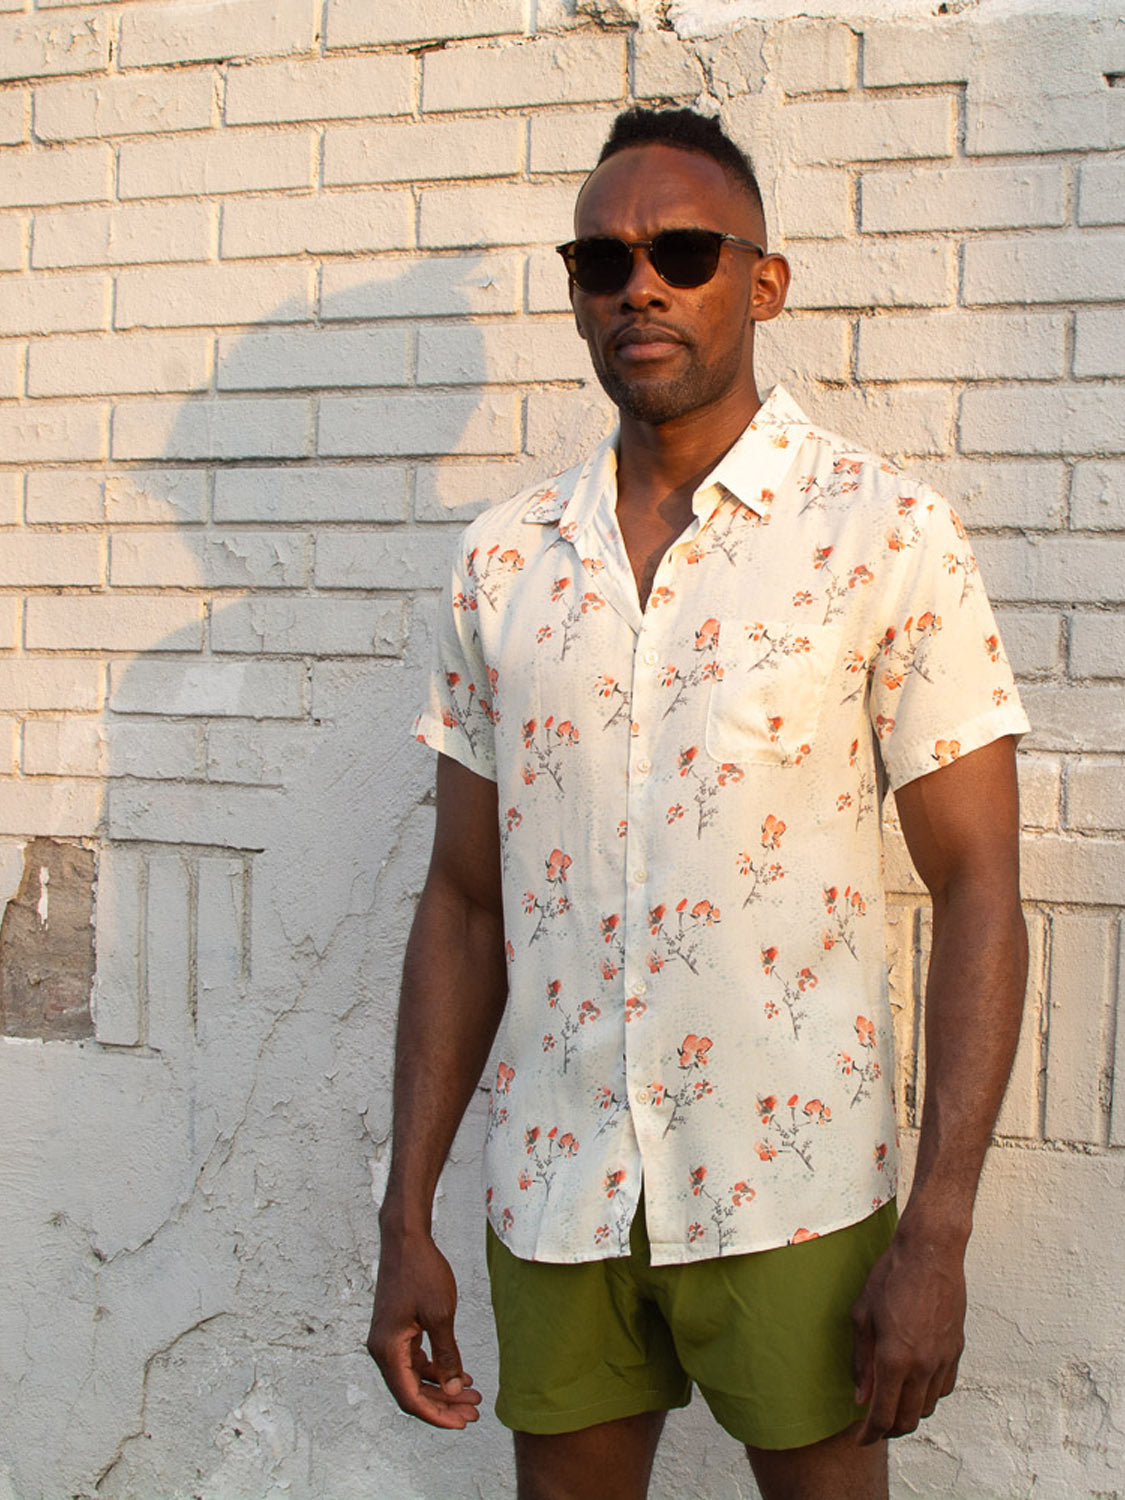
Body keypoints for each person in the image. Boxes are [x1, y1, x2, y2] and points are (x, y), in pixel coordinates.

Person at [367, 106, 1030, 1500]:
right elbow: (466, 902)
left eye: (678, 248)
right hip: (558, 1193)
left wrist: (940, 1231)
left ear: (760, 282)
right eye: (601, 264)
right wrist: (404, 1210)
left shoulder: (881, 533)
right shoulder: (503, 566)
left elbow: (978, 888)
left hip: (788, 1195)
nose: (640, 286)